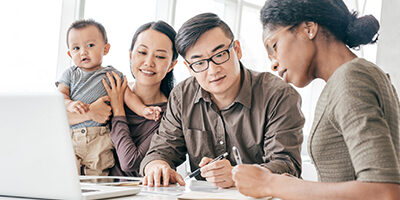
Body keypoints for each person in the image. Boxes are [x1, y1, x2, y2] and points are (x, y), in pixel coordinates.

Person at [232, 0, 400, 199]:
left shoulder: (351, 78)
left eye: (274, 46)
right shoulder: (355, 76)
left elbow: (384, 191)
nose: (273, 65)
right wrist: (292, 186)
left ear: (308, 28)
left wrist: (273, 183)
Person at [139, 12, 305, 188]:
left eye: (219, 55)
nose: (212, 70)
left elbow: (287, 165)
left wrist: (237, 176)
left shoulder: (278, 95)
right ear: (189, 68)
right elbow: (161, 150)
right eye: (199, 63)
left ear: (237, 50)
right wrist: (157, 166)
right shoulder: (182, 96)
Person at [56, 19, 155, 175]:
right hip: (71, 137)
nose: (83, 52)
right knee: (67, 176)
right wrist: (69, 104)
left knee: (97, 179)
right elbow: (60, 95)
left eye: (90, 45)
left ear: (106, 48)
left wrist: (143, 110)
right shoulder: (70, 74)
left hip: (100, 138)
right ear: (70, 53)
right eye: (76, 48)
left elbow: (128, 95)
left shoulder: (112, 74)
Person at [101, 21, 177, 177]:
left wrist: (118, 110)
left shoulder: (169, 115)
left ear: (171, 65)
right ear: (130, 55)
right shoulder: (113, 90)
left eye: (160, 56)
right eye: (142, 52)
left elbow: (130, 162)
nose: (149, 62)